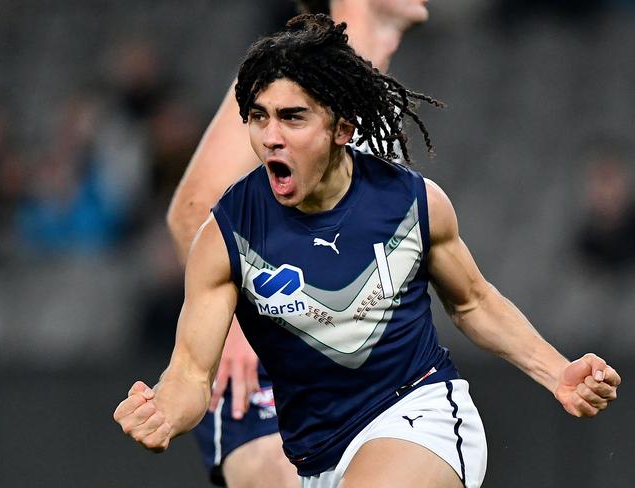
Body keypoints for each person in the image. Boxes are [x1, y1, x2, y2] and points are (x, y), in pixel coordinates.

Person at [115, 15, 621, 488]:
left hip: (420, 416)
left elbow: (472, 302)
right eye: (259, 117)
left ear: (342, 129)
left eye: (293, 118)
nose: (271, 137)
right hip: (317, 462)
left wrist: (557, 371)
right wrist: (164, 412)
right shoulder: (226, 234)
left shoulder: (411, 201)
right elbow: (191, 373)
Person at [166, 1, 434, 486]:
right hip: (273, 356)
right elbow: (193, 209)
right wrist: (237, 329)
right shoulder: (293, 73)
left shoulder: (364, 87)